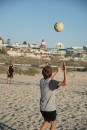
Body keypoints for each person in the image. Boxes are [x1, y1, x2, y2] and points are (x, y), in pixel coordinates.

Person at [40, 62, 67, 130]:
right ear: (50, 74)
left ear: (43, 74)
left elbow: (50, 79)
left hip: (42, 108)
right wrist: (65, 72)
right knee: (53, 123)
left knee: (47, 120)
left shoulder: (42, 81)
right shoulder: (52, 83)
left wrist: (58, 72)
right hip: (50, 109)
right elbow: (65, 83)